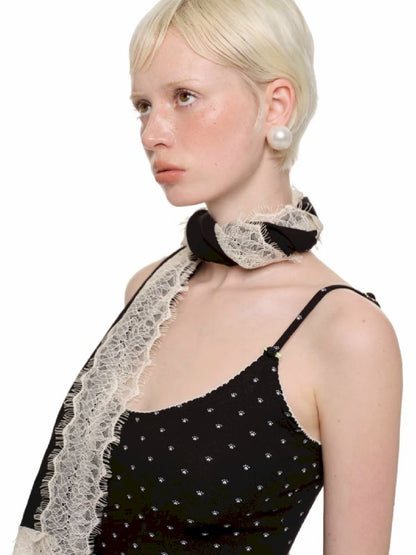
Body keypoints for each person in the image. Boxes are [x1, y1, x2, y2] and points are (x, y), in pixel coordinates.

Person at [13, 0, 402, 553]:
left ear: (276, 105)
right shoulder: (149, 292)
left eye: (185, 97)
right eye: (143, 106)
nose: (152, 133)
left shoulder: (347, 333)